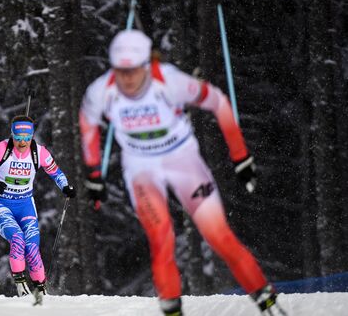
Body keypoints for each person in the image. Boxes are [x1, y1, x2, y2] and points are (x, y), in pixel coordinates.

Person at [79, 30, 284, 316]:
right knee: (161, 238)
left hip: (182, 159)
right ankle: (173, 310)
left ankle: (267, 300)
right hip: (141, 168)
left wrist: (240, 157)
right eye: (120, 71)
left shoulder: (170, 81)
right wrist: (93, 174)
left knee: (218, 236)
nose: (126, 78)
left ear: (146, 64)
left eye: (133, 70)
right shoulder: (101, 90)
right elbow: (87, 124)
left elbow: (219, 103)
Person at [0, 115, 76, 297]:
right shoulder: (1, 149)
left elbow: (56, 172)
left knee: (32, 247)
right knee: (18, 238)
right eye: (18, 137)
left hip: (25, 204)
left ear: (32, 136)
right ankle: (20, 283)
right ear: (12, 134)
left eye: (27, 138)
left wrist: (66, 187)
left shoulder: (40, 152)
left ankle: (41, 289)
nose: (22, 142)